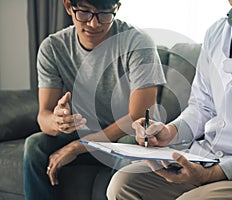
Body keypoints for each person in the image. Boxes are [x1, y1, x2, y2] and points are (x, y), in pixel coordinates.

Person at [107, 0, 232, 199]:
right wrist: (170, 132)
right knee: (125, 183)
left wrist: (213, 174)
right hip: (211, 157)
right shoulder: (217, 32)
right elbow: (202, 106)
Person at [23, 0, 166, 199]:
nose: (94, 24)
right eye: (84, 13)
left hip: (125, 134)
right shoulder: (53, 47)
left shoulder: (137, 42)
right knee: (35, 146)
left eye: (104, 14)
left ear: (117, 8)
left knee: (133, 145)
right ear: (68, 7)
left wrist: (78, 147)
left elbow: (138, 117)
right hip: (84, 133)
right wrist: (57, 122)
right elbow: (43, 116)